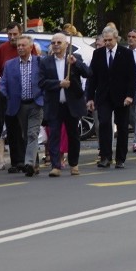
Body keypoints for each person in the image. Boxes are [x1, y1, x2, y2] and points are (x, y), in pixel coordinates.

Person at [39, 33, 92, 176]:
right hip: (55, 105)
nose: (56, 45)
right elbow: (41, 82)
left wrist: (76, 63)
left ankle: (74, 164)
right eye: (53, 42)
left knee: (73, 135)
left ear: (66, 45)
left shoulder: (75, 59)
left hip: (72, 105)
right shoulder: (46, 62)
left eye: (59, 42)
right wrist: (59, 84)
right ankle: (56, 165)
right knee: (54, 135)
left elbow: (88, 73)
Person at [86, 26, 136, 168]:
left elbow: (132, 77)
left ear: (116, 39)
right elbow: (92, 78)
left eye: (110, 40)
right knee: (104, 124)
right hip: (103, 96)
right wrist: (90, 97)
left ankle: (120, 158)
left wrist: (130, 96)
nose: (107, 43)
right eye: (105, 40)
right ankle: (105, 156)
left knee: (122, 127)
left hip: (122, 97)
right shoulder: (98, 54)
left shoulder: (126, 53)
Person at [0, 35, 44, 176]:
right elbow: (4, 83)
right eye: (18, 45)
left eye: (23, 45)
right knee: (26, 134)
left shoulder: (40, 62)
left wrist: (44, 97)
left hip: (36, 103)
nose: (20, 48)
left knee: (32, 133)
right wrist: (5, 98)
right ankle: (35, 163)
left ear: (31, 47)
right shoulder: (10, 64)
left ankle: (29, 163)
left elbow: (47, 81)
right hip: (19, 105)